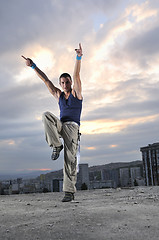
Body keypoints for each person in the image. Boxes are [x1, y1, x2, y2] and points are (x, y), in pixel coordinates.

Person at [22, 43, 83, 202]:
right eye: (62, 82)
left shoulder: (76, 93)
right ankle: (56, 145)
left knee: (70, 161)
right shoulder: (59, 95)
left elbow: (77, 76)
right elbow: (46, 80)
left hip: (72, 130)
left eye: (67, 82)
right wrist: (33, 65)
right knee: (46, 116)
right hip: (61, 125)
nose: (64, 85)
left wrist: (78, 57)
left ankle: (69, 192)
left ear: (70, 83)